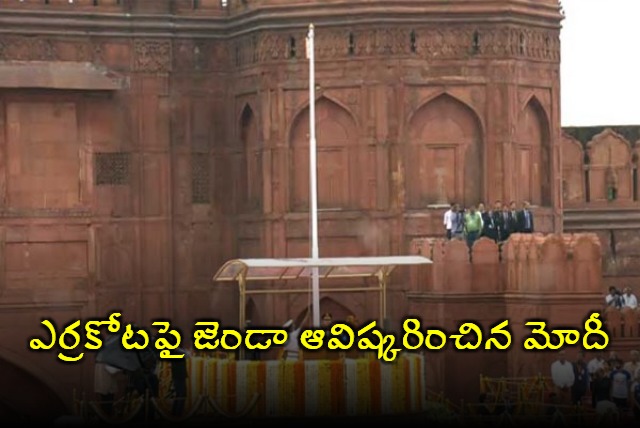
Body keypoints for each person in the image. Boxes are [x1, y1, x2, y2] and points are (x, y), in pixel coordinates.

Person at [170, 350, 189, 416]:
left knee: (179, 394)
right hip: (179, 374)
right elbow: (187, 355)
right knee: (181, 394)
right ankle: (177, 414)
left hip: (178, 374)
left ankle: (175, 412)